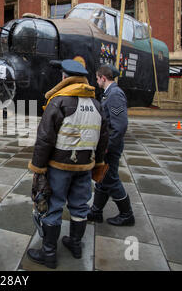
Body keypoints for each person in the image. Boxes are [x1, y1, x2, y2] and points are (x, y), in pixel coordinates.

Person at [27, 59, 108, 269]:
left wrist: (38, 168)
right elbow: (103, 138)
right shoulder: (97, 104)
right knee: (80, 207)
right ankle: (75, 244)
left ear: (64, 78)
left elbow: (45, 139)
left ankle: (49, 254)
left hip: (59, 166)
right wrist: (98, 163)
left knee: (53, 207)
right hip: (85, 167)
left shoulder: (59, 101)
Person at [87, 64, 135, 226]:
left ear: (103, 78)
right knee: (102, 178)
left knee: (111, 179)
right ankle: (96, 211)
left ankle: (127, 214)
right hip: (106, 145)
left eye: (97, 78)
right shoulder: (109, 94)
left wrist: (107, 147)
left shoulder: (115, 94)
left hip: (110, 147)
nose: (96, 81)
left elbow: (119, 125)